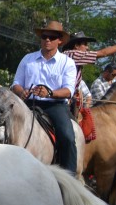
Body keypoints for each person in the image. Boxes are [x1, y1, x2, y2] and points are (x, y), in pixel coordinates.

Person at [10, 20, 78, 173]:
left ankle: (70, 176)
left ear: (59, 41)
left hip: (55, 105)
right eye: (45, 36)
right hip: (28, 102)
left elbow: (68, 90)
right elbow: (16, 83)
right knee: (2, 126)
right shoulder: (28, 59)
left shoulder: (67, 62)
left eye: (52, 37)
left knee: (67, 136)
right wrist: (21, 91)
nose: (47, 40)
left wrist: (50, 93)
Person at [62, 31, 116, 117]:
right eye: (85, 44)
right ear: (76, 46)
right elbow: (103, 53)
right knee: (69, 129)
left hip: (65, 100)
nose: (87, 48)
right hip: (62, 101)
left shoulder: (68, 55)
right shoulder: (73, 55)